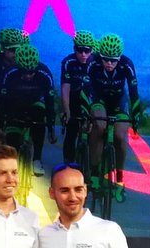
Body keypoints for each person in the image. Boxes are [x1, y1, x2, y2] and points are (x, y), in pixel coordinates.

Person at [83, 33, 139, 185]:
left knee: (120, 136)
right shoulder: (92, 62)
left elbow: (133, 92)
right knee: (99, 126)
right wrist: (85, 112)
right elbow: (85, 90)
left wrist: (136, 115)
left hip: (119, 101)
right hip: (99, 99)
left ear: (119, 58)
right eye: (105, 59)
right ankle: (95, 171)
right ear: (100, 56)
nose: (109, 63)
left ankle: (120, 176)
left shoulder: (127, 64)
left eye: (113, 60)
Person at [0, 44, 57, 176]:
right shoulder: (10, 73)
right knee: (12, 137)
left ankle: (37, 159)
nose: (28, 75)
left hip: (36, 102)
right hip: (16, 103)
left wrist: (51, 128)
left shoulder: (44, 74)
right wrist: (1, 124)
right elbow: (3, 101)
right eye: (24, 72)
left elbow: (50, 102)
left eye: (31, 72)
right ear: (18, 66)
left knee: (39, 117)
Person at [59, 31, 96, 164]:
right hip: (73, 97)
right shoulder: (68, 62)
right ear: (74, 49)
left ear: (92, 50)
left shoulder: (96, 62)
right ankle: (68, 163)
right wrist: (66, 110)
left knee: (94, 131)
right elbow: (65, 88)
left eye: (87, 51)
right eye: (80, 50)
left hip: (91, 98)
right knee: (71, 129)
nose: (83, 54)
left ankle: (91, 162)